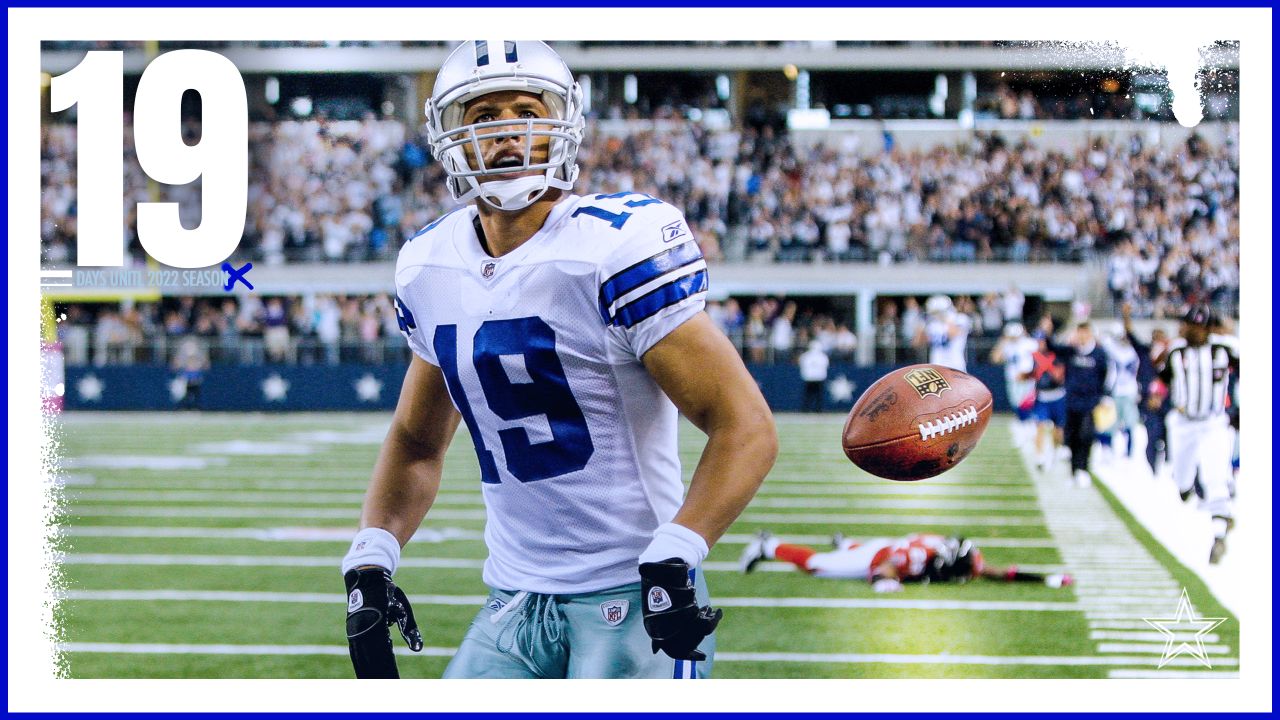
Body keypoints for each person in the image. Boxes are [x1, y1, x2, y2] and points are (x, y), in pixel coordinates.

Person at [340, 41, 778, 680]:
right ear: (449, 135)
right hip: (513, 599)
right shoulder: (428, 265)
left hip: (634, 592)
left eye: (525, 109)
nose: (509, 131)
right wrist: (373, 554)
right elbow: (415, 440)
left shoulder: (614, 246)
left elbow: (745, 425)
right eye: (484, 115)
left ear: (562, 123)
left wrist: (679, 549)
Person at [1159, 305, 1238, 564]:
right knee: (1181, 480)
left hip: (1213, 422)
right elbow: (1163, 378)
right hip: (1183, 424)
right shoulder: (1175, 352)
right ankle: (1187, 487)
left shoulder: (1224, 349)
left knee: (1217, 476)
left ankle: (1219, 533)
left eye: (1197, 326)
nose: (1191, 330)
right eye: (1188, 325)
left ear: (1207, 328)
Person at [738, 531, 1072, 591]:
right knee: (818, 566)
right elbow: (887, 568)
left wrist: (1044, 578)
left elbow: (995, 573)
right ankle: (770, 546)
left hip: (884, 548)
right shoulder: (918, 556)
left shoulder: (964, 559)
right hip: (878, 556)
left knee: (840, 557)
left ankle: (847, 543)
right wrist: (885, 582)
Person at [1049, 322, 1109, 488]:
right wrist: (1048, 331)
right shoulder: (1071, 351)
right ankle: (1074, 470)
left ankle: (1083, 468)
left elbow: (1105, 374)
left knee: (1086, 435)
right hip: (1071, 400)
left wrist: (1103, 396)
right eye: (1079, 332)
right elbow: (1052, 348)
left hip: (1090, 401)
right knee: (1072, 436)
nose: (1082, 336)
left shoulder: (1099, 353)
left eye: (1085, 332)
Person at [990, 322, 1039, 447]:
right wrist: (1003, 342)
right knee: (1017, 405)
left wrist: (1030, 373)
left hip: (1027, 379)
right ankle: (1025, 429)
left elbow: (1038, 359)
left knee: (1026, 405)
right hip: (1012, 379)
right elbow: (995, 358)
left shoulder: (1029, 343)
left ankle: (1029, 429)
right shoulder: (1007, 345)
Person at [1026, 325, 1066, 472]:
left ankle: (1056, 450)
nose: (1040, 343)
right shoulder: (1035, 356)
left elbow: (1060, 376)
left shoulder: (1057, 355)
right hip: (1042, 397)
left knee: (1058, 430)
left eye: (1041, 340)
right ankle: (1039, 456)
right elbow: (1033, 374)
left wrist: (1050, 368)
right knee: (1040, 426)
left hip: (1057, 396)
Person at [914, 294, 970, 371]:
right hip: (936, 365)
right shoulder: (932, 324)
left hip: (955, 365)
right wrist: (921, 325)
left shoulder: (961, 319)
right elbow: (917, 343)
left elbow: (952, 334)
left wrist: (945, 318)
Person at [797, 340, 829, 413]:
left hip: (809, 378)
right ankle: (817, 409)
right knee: (817, 396)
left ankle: (806, 409)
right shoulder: (823, 356)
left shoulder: (805, 356)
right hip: (818, 378)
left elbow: (802, 365)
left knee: (809, 395)